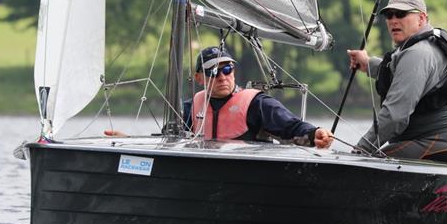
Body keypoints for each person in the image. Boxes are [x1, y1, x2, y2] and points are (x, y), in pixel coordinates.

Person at [106, 46, 334, 148]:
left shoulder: (257, 103)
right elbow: (167, 141)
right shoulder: (190, 108)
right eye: (214, 72)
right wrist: (127, 140)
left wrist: (316, 134)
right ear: (198, 77)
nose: (223, 77)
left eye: (228, 70)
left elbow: (293, 128)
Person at [346, 0, 447, 165]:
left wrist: (359, 151)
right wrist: (368, 63)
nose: (393, 20)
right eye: (389, 15)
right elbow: (401, 74)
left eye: (401, 14)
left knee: (367, 161)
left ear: (422, 19)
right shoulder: (425, 47)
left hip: (439, 144)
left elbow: (394, 116)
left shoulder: (417, 53)